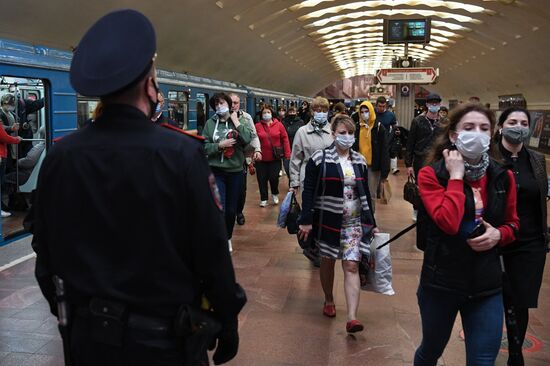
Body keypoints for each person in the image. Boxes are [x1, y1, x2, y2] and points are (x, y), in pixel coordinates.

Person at [29, 10, 246, 366]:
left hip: (87, 340)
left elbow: (43, 246)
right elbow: (211, 251)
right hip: (164, 341)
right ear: (150, 84)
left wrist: (69, 312)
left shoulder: (61, 157)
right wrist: (227, 318)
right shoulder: (181, 155)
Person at [414, 103, 519, 366]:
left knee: (483, 360)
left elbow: (514, 224)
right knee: (431, 351)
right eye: (469, 127)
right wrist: (457, 177)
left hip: (486, 284)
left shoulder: (502, 176)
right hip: (441, 283)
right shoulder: (432, 175)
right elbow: (447, 223)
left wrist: (499, 235)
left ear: (493, 133)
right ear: (453, 135)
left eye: (484, 128)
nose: (477, 133)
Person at [298, 114, 378, 333]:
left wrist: (372, 221)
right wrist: (306, 220)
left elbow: (366, 195)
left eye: (351, 133)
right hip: (328, 220)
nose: (347, 137)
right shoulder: (319, 159)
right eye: (342, 133)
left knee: (351, 265)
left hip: (354, 223)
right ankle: (329, 299)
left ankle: (352, 317)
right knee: (328, 260)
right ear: (333, 134)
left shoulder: (360, 161)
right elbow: (309, 190)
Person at [493, 107, 547, 366]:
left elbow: (540, 198)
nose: (519, 126)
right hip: (497, 241)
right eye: (512, 121)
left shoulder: (536, 160)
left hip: (530, 243)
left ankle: (516, 354)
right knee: (495, 299)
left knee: (521, 300)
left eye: (524, 122)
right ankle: (486, 350)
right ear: (501, 126)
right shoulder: (489, 157)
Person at [202, 92, 252, 251]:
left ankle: (228, 236)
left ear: (229, 105)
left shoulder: (241, 121)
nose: (219, 106)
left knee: (231, 210)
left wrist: (236, 121)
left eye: (222, 103)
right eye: (216, 104)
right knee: (220, 207)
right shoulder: (210, 124)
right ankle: (220, 238)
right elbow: (203, 146)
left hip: (235, 171)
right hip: (216, 171)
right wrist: (219, 146)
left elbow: (248, 138)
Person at [405, 93, 447, 221]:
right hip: (420, 159)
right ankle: (417, 209)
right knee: (419, 186)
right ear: (427, 104)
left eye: (436, 103)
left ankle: (434, 210)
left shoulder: (444, 123)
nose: (434, 105)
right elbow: (410, 143)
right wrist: (409, 164)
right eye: (431, 103)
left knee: (438, 185)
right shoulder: (418, 121)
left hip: (438, 160)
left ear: (440, 104)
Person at [351, 100, 389, 212]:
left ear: (371, 111)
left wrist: (384, 172)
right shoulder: (357, 127)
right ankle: (358, 217)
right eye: (362, 112)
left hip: (373, 167)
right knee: (356, 193)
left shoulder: (378, 127)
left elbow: (384, 150)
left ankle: (370, 220)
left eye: (366, 111)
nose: (364, 114)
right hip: (358, 166)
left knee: (370, 194)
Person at [229, 93, 261, 226]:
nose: (233, 105)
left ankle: (239, 211)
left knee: (241, 188)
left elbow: (253, 135)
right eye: (231, 103)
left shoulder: (246, 117)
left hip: (241, 157)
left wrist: (258, 149)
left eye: (236, 103)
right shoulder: (219, 118)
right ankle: (228, 213)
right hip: (224, 159)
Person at [290, 96, 333, 192]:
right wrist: (294, 182)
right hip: (308, 178)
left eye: (324, 111)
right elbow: (295, 159)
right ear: (312, 112)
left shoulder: (333, 131)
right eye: (318, 111)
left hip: (330, 178)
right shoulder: (302, 132)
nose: (321, 113)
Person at [255, 104, 290, 207]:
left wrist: (287, 153)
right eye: (264, 113)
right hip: (261, 158)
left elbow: (285, 139)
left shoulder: (279, 125)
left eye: (268, 112)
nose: (266, 114)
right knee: (261, 179)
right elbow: (254, 140)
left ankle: (275, 193)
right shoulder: (257, 126)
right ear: (261, 115)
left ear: (272, 113)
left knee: (274, 177)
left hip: (275, 158)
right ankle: (264, 198)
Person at [0, 92, 45, 158]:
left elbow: (36, 104)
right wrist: (11, 129)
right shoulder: (2, 113)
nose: (11, 106)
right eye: (8, 104)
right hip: (10, 142)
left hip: (22, 138)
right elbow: (2, 130)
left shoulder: (18, 108)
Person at [281, 106, 304, 177]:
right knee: (287, 167)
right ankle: (290, 178)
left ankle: (294, 182)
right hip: (287, 148)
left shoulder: (300, 122)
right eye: (290, 112)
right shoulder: (284, 122)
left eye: (293, 112)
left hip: (298, 148)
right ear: (288, 113)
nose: (292, 113)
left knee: (297, 166)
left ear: (296, 113)